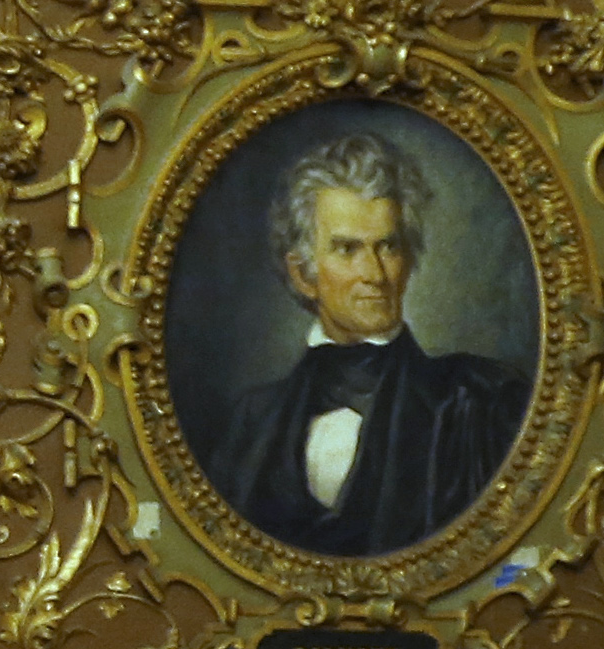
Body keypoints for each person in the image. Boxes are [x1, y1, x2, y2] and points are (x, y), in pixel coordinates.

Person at [197, 130, 526, 558]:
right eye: (347, 249)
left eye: (387, 246)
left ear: (407, 260)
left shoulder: (480, 405)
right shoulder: (250, 425)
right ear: (303, 274)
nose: (374, 273)